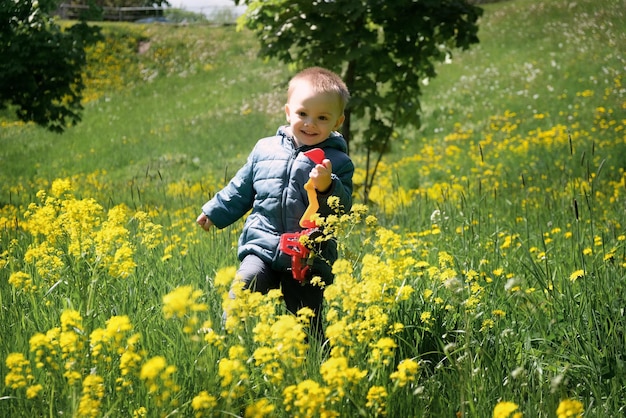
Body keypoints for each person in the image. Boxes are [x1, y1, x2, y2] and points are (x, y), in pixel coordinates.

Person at [196, 67, 354, 342]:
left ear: (337, 122)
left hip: (309, 255)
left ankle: (314, 363)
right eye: (302, 114)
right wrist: (215, 211)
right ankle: (227, 344)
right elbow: (241, 187)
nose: (310, 123)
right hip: (263, 245)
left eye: (322, 118)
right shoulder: (265, 149)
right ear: (288, 112)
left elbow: (341, 209)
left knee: (306, 321)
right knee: (242, 290)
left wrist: (328, 185)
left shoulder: (337, 163)